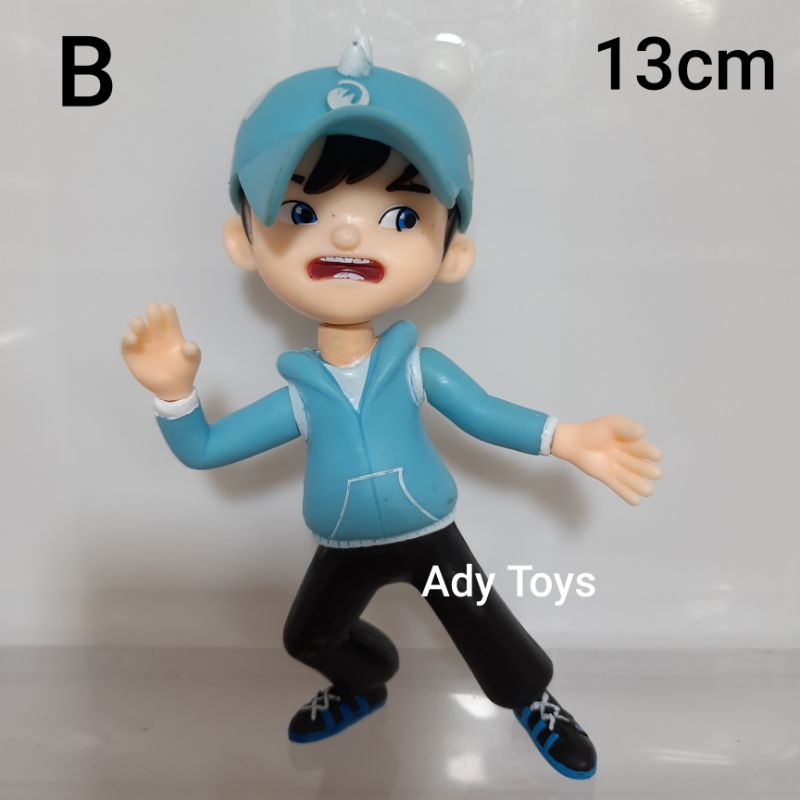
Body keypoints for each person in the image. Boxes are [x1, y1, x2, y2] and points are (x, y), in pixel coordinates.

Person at [121, 39, 662, 781]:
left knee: (487, 630)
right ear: (242, 241)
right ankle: (365, 680)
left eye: (400, 218)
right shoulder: (300, 394)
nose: (347, 234)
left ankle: (532, 699)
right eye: (302, 210)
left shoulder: (415, 367)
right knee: (308, 637)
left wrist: (566, 438)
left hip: (429, 532)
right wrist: (173, 393)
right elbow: (205, 449)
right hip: (343, 542)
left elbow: (482, 412)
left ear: (452, 255)